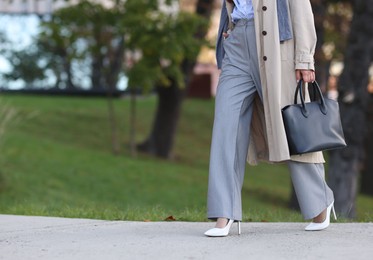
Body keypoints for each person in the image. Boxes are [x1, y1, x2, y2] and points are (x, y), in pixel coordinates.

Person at [204, 0, 336, 237]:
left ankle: (320, 203)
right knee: (226, 126)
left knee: (292, 127)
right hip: (237, 43)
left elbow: (299, 8)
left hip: (275, 43)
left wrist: (305, 58)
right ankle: (225, 213)